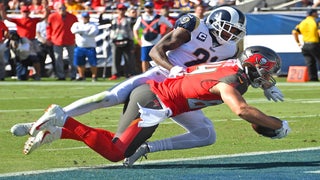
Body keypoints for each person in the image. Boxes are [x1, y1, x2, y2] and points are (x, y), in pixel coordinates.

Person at [11, 6, 283, 164]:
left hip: (185, 89)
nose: (231, 35)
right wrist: (173, 67)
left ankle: (147, 148)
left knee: (206, 134)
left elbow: (239, 68)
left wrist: (266, 84)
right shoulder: (193, 26)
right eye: (229, 29)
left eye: (235, 32)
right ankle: (51, 118)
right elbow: (156, 51)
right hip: (161, 78)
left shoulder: (231, 48)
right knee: (111, 96)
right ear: (214, 22)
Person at [99, 3, 136, 80]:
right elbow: (101, 22)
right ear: (117, 10)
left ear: (125, 10)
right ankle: (115, 74)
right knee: (116, 59)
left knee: (129, 59)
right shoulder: (113, 19)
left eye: (123, 9)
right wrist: (101, 13)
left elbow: (135, 20)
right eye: (119, 9)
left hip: (127, 41)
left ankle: (129, 73)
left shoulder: (129, 19)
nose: (121, 11)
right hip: (116, 41)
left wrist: (134, 14)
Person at [133, 1, 173, 72]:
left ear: (153, 8)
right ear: (144, 8)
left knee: (158, 59)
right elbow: (135, 29)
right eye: (147, 7)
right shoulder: (141, 18)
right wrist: (137, 39)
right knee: (145, 59)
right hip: (145, 42)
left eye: (150, 7)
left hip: (156, 42)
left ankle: (159, 73)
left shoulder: (159, 17)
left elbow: (170, 26)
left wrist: (163, 36)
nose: (148, 9)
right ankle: (145, 75)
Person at [46, 2, 78, 81]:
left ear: (66, 8)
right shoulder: (52, 17)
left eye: (63, 8)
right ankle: (61, 75)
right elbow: (48, 29)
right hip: (57, 40)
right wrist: (49, 38)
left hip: (70, 40)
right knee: (58, 59)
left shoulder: (72, 17)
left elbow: (77, 28)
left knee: (73, 59)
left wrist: (76, 38)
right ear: (56, 9)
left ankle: (73, 75)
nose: (62, 10)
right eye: (60, 8)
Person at [292, 8, 320, 81]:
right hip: (315, 44)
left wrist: (298, 42)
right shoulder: (316, 21)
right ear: (313, 14)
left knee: (310, 62)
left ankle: (313, 78)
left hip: (305, 45)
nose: (317, 14)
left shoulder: (302, 22)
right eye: (316, 12)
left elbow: (294, 32)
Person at [71, 12, 99, 82]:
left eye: (86, 17)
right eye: (84, 17)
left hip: (90, 46)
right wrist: (85, 31)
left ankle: (94, 76)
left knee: (93, 63)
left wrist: (81, 32)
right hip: (80, 46)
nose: (85, 18)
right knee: (79, 63)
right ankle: (81, 76)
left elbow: (92, 33)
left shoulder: (93, 25)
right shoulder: (77, 24)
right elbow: (73, 31)